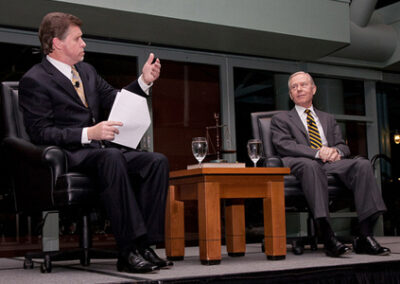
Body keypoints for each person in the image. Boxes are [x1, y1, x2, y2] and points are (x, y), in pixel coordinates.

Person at [19, 12, 171, 273]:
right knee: (111, 157)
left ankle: (145, 245)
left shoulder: (87, 72)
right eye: (78, 38)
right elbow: (41, 133)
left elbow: (116, 100)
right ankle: (127, 250)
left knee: (155, 161)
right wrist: (89, 133)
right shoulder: (35, 80)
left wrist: (144, 81)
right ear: (57, 43)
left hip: (99, 153)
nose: (84, 43)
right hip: (70, 157)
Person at [270, 71, 391, 257]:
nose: (298, 89)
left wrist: (337, 152)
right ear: (290, 94)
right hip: (300, 163)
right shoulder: (281, 119)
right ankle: (327, 235)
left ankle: (365, 235)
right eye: (294, 87)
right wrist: (318, 152)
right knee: (312, 165)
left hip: (330, 163)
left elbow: (342, 145)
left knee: (363, 165)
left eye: (303, 85)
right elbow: (285, 145)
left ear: (314, 89)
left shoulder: (327, 118)